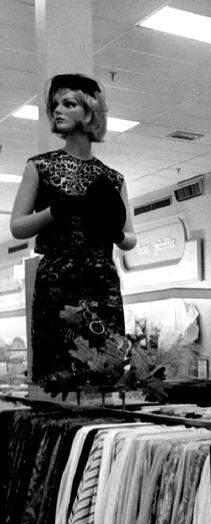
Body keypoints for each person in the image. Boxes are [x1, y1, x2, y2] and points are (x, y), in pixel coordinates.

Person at [9, 73, 136, 383]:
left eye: (68, 104)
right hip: (58, 281)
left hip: (101, 281)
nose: (57, 110)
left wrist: (115, 233)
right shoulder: (39, 167)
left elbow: (130, 239)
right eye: (55, 104)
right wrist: (55, 211)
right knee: (58, 373)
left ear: (90, 111)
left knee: (105, 371)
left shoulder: (113, 179)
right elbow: (17, 227)